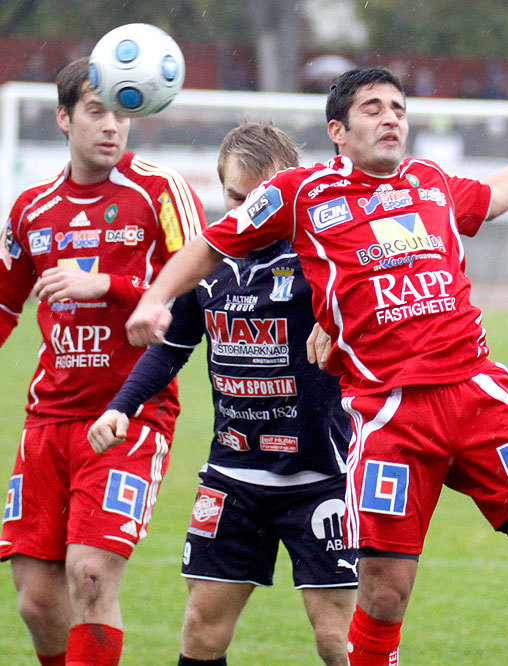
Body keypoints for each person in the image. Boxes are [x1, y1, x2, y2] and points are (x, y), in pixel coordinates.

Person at [123, 67, 508, 666]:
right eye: (373, 108)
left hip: (476, 397)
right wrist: (156, 298)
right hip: (390, 416)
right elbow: (211, 243)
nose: (391, 117)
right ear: (337, 129)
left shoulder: (432, 182)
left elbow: (496, 196)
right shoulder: (302, 193)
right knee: (384, 593)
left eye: (398, 107)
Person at [87, 122, 357, 666]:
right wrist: (120, 406)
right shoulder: (206, 263)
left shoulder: (327, 257)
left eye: (263, 199)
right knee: (201, 631)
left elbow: (385, 311)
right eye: (236, 198)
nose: (249, 213)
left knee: (337, 639)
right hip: (233, 476)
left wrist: (341, 321)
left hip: (323, 477)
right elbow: (171, 348)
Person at [0, 57, 206, 666]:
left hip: (129, 415)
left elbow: (201, 284)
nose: (112, 126)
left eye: (122, 112)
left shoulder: (160, 191)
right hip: (47, 420)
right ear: (64, 119)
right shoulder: (31, 210)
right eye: (96, 111)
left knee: (89, 575)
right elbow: (5, 305)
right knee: (37, 602)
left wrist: (111, 287)